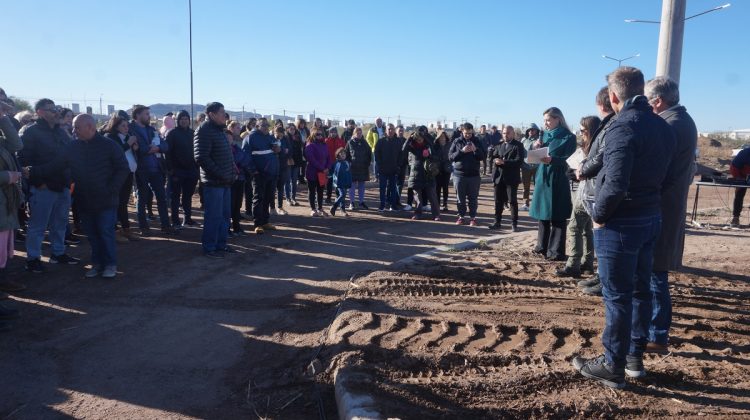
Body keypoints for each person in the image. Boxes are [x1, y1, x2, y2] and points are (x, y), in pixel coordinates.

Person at [572, 66, 676, 389]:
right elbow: (669, 177)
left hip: (621, 225)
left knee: (617, 296)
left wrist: (600, 215)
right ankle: (633, 358)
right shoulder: (662, 127)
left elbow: (615, 184)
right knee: (640, 288)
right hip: (650, 219)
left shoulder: (621, 127)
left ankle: (612, 364)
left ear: (614, 96)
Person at [645, 76, 698, 354]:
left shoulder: (671, 124)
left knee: (656, 273)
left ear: (657, 101)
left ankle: (657, 336)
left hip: (662, 207)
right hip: (666, 205)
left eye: (647, 101)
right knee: (655, 271)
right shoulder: (679, 120)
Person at [18, 99, 80, 273]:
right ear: (39, 112)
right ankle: (33, 258)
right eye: (51, 110)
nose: (56, 113)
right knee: (38, 225)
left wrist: (69, 181)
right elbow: (22, 160)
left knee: (60, 222)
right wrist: (39, 182)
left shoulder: (60, 132)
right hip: (43, 187)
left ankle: (58, 253)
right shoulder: (31, 133)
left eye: (56, 109)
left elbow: (70, 155)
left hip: (63, 185)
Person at [68, 114, 129, 278]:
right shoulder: (73, 146)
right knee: (92, 235)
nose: (74, 130)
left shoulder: (109, 145)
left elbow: (123, 168)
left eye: (77, 127)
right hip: (84, 199)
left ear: (90, 127)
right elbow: (65, 167)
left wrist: (112, 189)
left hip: (106, 200)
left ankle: (110, 264)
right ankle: (97, 263)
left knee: (105, 232)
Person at [574, 87, 617, 295]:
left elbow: (600, 157)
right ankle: (601, 275)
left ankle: (604, 279)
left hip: (600, 188)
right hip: (594, 186)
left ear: (601, 104)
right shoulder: (609, 125)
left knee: (603, 235)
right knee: (594, 232)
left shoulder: (610, 126)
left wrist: (583, 168)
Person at [556, 116, 600, 279]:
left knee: (574, 227)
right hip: (589, 191)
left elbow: (586, 170)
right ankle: (587, 263)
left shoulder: (593, 148)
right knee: (587, 229)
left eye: (582, 130)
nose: (581, 134)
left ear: (590, 131)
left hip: (587, 191)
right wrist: (573, 173)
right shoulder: (589, 147)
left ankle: (573, 264)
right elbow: (571, 170)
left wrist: (578, 173)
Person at [529, 107, 576, 260]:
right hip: (542, 176)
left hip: (558, 178)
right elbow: (534, 156)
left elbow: (571, 161)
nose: (546, 123)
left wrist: (553, 160)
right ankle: (541, 247)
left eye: (548, 120)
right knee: (543, 213)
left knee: (557, 214)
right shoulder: (544, 136)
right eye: (544, 120)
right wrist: (535, 148)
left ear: (558, 119)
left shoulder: (568, 137)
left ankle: (556, 251)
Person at [194, 102, 236, 258]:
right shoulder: (203, 130)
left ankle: (221, 244)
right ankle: (209, 247)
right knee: (213, 216)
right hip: (214, 183)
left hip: (225, 182)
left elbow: (226, 156)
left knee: (225, 216)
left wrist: (231, 173)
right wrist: (220, 174)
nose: (224, 116)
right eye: (221, 112)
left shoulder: (219, 130)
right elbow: (201, 158)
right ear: (211, 114)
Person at [129, 105, 177, 236]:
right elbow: (141, 150)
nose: (149, 116)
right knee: (142, 198)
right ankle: (143, 227)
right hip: (141, 169)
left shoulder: (151, 129)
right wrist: (153, 148)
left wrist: (155, 148)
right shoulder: (131, 130)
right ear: (137, 115)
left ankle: (165, 225)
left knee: (161, 198)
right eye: (146, 114)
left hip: (156, 168)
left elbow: (165, 146)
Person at [0, 104, 25, 316]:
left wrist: (3, 118)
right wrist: (7, 177)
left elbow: (16, 144)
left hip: (5, 206)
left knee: (2, 255)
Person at [103, 115, 139, 242]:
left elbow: (131, 152)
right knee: (114, 203)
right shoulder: (109, 138)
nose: (126, 128)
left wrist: (135, 147)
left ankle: (126, 230)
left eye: (127, 125)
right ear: (115, 126)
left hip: (128, 173)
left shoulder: (128, 136)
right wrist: (128, 144)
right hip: (116, 175)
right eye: (123, 126)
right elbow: (117, 152)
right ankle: (114, 231)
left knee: (123, 203)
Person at [243, 119, 280, 234]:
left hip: (271, 173)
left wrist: (278, 148)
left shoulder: (269, 137)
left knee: (268, 197)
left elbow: (278, 148)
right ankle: (258, 224)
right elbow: (245, 157)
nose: (266, 127)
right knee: (258, 198)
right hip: (259, 174)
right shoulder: (250, 138)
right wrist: (253, 171)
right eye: (263, 126)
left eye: (268, 126)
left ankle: (265, 221)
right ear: (257, 126)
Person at [165, 110, 199, 228]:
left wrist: (197, 169)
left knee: (187, 196)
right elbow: (167, 153)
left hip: (191, 171)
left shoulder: (193, 133)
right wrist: (170, 169)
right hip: (177, 171)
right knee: (175, 197)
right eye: (182, 119)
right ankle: (175, 221)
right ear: (177, 120)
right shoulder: (172, 133)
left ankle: (187, 219)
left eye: (186, 118)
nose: (184, 121)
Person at [449, 123, 486, 226]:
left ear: (472, 132)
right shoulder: (457, 141)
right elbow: (450, 157)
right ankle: (461, 217)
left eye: (470, 133)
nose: (468, 135)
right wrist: (462, 151)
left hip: (474, 175)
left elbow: (483, 156)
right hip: (459, 175)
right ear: (462, 131)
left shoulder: (477, 141)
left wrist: (475, 150)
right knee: (460, 198)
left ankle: (473, 218)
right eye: (466, 133)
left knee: (473, 198)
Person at [489, 125, 524, 231]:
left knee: (512, 201)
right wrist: (494, 158)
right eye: (504, 133)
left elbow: (519, 161)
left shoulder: (518, 145)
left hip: (511, 178)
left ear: (513, 134)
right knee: (498, 201)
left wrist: (504, 162)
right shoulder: (499, 145)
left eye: (508, 133)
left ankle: (514, 224)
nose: (506, 135)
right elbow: (493, 156)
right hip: (499, 176)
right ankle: (497, 222)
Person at [403, 129, 440, 221]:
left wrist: (429, 155)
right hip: (416, 173)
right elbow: (403, 149)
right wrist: (409, 139)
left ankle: (436, 214)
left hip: (428, 173)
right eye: (417, 138)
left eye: (421, 138)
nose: (419, 140)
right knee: (417, 196)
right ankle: (417, 213)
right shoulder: (411, 146)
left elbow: (435, 156)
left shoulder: (428, 146)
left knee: (432, 195)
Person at [228, 126, 251, 236]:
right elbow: (233, 160)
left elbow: (245, 158)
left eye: (230, 138)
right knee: (229, 205)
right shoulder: (223, 150)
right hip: (230, 180)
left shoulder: (236, 148)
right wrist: (238, 161)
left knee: (237, 205)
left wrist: (239, 162)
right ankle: (227, 228)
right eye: (226, 138)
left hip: (240, 178)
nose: (229, 140)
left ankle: (237, 227)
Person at [374, 124, 402, 212]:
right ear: (386, 130)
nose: (391, 131)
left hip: (394, 169)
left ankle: (393, 206)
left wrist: (398, 166)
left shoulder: (398, 141)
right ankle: (382, 205)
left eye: (392, 129)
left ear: (394, 131)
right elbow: (376, 154)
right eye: (389, 129)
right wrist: (379, 165)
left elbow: (401, 155)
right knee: (382, 189)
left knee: (393, 189)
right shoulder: (381, 141)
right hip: (383, 169)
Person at [304, 129, 331, 216]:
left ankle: (320, 208)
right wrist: (322, 168)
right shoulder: (310, 145)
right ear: (313, 135)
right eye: (317, 135)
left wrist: (327, 167)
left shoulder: (324, 145)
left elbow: (328, 157)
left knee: (320, 191)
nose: (319, 136)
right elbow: (311, 159)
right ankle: (313, 209)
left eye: (321, 134)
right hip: (312, 172)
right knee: (312, 191)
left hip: (322, 173)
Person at [345, 126, 371, 210]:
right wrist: (348, 164)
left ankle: (361, 202)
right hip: (352, 168)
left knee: (362, 185)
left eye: (360, 133)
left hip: (363, 167)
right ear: (354, 134)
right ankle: (351, 203)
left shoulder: (364, 142)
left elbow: (369, 153)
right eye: (357, 133)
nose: (359, 135)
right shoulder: (350, 142)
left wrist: (367, 163)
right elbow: (346, 155)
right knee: (352, 186)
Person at [271, 126, 292, 216]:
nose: (279, 135)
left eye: (281, 133)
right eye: (277, 133)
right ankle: (271, 207)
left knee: (280, 188)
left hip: (283, 166)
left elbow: (290, 151)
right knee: (271, 189)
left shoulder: (286, 140)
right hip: (272, 167)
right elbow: (273, 151)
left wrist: (282, 151)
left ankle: (280, 207)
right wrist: (283, 150)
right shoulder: (271, 139)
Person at [520, 123, 541, 211]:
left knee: (538, 186)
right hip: (525, 166)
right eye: (529, 130)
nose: (531, 131)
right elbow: (521, 151)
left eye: (533, 130)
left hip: (537, 166)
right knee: (526, 186)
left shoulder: (540, 140)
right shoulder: (524, 140)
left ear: (536, 131)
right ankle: (526, 203)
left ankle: (537, 203)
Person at [324, 127, 346, 204]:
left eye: (334, 132)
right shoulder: (326, 141)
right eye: (331, 132)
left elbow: (344, 151)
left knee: (338, 181)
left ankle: (338, 196)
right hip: (329, 164)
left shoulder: (341, 141)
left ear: (337, 133)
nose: (333, 133)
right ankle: (328, 197)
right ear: (329, 133)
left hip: (338, 164)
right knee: (329, 181)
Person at [730, 148, 750, 227]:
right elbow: (734, 166)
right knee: (739, 194)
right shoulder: (745, 153)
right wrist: (738, 178)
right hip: (741, 174)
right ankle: (735, 218)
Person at [329, 147, 352, 216]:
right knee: (342, 195)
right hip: (338, 184)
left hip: (345, 182)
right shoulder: (336, 163)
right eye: (341, 154)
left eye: (344, 154)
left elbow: (348, 173)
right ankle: (334, 207)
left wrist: (349, 182)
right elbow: (332, 173)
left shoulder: (347, 163)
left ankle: (342, 210)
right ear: (338, 154)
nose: (343, 155)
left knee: (342, 196)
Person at [434, 129, 452, 212]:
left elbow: (452, 156)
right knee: (437, 187)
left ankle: (445, 203)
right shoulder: (435, 145)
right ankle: (437, 203)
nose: (442, 138)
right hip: (437, 169)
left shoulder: (450, 144)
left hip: (446, 169)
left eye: (443, 136)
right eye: (440, 137)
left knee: (445, 187)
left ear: (446, 137)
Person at [286, 124, 303, 206]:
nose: (292, 130)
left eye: (294, 129)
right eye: (291, 129)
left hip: (296, 162)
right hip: (288, 161)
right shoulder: (285, 138)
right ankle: (288, 198)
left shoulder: (298, 137)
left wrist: (300, 162)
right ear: (288, 129)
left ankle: (293, 198)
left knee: (294, 181)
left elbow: (300, 150)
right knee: (288, 181)